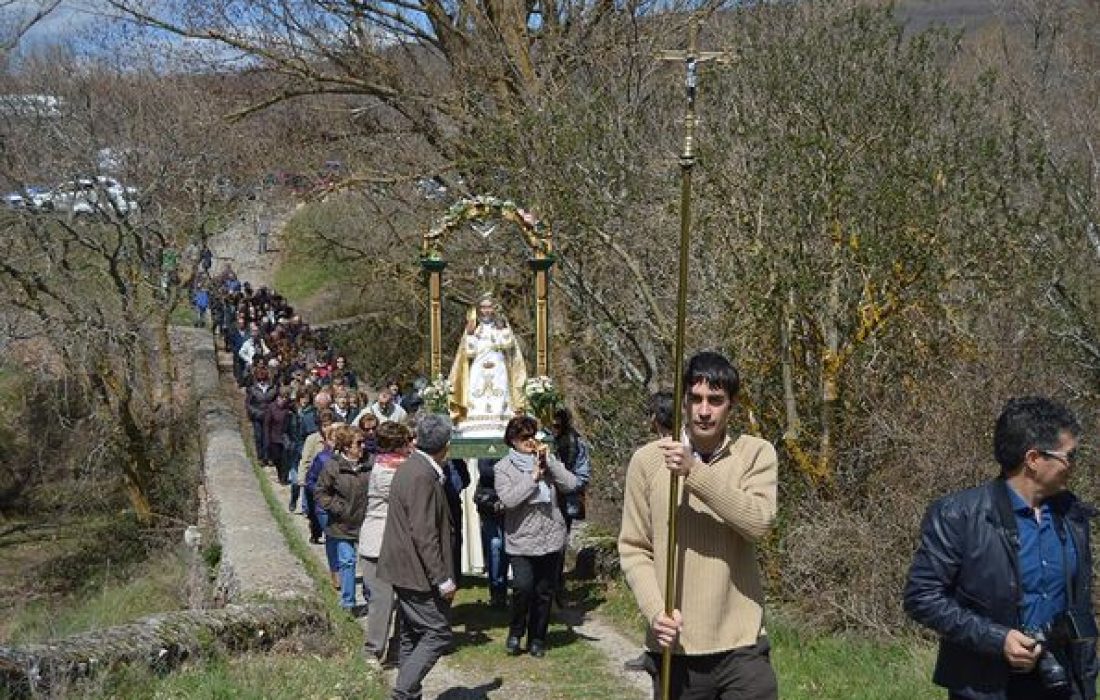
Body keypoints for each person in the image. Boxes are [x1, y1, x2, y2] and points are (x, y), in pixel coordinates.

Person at [904, 396, 1098, 700]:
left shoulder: (1073, 515)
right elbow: (922, 597)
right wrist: (998, 639)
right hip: (988, 686)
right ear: (1033, 459)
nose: (1074, 465)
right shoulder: (959, 515)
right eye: (1069, 456)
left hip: (1062, 682)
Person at [618, 351, 779, 700]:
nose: (704, 411)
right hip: (677, 649)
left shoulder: (756, 454)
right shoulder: (647, 462)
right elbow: (633, 548)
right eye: (696, 399)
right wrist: (654, 610)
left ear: (731, 405)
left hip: (743, 647)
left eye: (716, 401)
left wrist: (694, 473)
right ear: (684, 402)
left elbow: (758, 523)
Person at [377, 413, 457, 700]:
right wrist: (443, 579)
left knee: (412, 632)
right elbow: (423, 533)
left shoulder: (414, 466)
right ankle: (403, 692)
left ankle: (409, 693)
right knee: (437, 632)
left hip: (403, 566)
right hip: (415, 570)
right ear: (445, 445)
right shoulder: (421, 474)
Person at [495, 415, 578, 658]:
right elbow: (509, 500)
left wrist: (549, 462)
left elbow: (571, 484)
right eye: (524, 438)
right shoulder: (503, 468)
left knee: (544, 591)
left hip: (550, 535)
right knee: (523, 588)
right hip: (521, 537)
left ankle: (537, 638)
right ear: (512, 441)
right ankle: (516, 631)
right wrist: (532, 478)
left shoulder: (546, 461)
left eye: (533, 436)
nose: (529, 442)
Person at [359, 421, 415, 667]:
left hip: (392, 541)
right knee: (382, 600)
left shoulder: (382, 464)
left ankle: (397, 649)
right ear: (399, 445)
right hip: (381, 541)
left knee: (403, 599)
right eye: (407, 442)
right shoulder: (389, 471)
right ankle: (374, 650)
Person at [448, 294, 527, 432]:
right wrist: (471, 334)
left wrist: (503, 329)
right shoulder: (474, 328)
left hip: (498, 366)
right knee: (475, 388)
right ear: (479, 310)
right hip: (479, 366)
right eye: (483, 307)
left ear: (494, 309)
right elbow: (469, 352)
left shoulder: (501, 326)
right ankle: (474, 421)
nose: (486, 311)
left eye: (489, 307)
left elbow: (507, 344)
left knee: (501, 390)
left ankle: (502, 419)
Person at [316, 424, 371, 612]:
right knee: (347, 561)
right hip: (342, 524)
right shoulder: (333, 466)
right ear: (347, 446)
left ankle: (371, 599)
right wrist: (337, 508)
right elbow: (321, 492)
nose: (363, 446)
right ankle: (348, 603)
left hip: (366, 523)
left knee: (368, 563)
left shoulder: (370, 464)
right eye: (359, 443)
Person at [549, 407, 591, 604]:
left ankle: (556, 587)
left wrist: (566, 483)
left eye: (557, 425)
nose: (553, 429)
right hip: (542, 501)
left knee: (559, 546)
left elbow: (583, 475)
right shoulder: (542, 442)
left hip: (566, 500)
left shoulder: (576, 444)